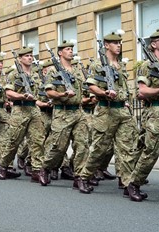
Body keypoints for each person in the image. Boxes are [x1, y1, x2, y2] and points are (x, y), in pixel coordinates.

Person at [76, 30, 141, 194]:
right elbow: (90, 85)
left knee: (126, 148)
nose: (118, 45)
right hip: (106, 110)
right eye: (114, 43)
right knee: (99, 148)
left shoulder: (121, 65)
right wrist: (104, 93)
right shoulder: (98, 65)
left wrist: (126, 101)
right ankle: (83, 178)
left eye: (119, 43)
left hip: (122, 112)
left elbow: (125, 88)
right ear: (106, 45)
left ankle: (128, 184)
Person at [127, 26, 159, 202]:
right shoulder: (147, 66)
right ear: (153, 44)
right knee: (151, 151)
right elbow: (142, 92)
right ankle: (134, 184)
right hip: (157, 112)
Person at [39, 40, 90, 188]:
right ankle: (46, 168)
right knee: (59, 147)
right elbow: (48, 91)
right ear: (60, 53)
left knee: (82, 145)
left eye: (71, 49)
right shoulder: (53, 72)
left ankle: (79, 177)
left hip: (78, 112)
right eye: (67, 49)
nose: (70, 51)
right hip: (62, 113)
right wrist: (62, 95)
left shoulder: (77, 71)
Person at [0, 46, 46, 182]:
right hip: (20, 109)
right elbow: (8, 93)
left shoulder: (35, 75)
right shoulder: (14, 74)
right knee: (14, 140)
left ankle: (37, 170)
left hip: (34, 109)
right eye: (26, 56)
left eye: (31, 55)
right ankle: (4, 166)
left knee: (38, 140)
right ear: (20, 59)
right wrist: (22, 96)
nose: (30, 57)